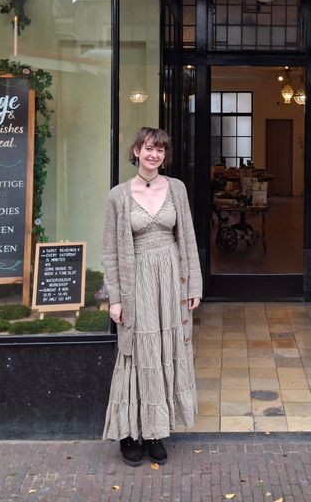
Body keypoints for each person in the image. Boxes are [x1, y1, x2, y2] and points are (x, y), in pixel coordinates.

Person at [101, 127, 202, 467]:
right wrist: (116, 298)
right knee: (138, 351)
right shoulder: (118, 195)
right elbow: (110, 252)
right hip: (137, 281)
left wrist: (193, 286)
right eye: (148, 148)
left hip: (170, 279)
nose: (153, 154)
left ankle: (156, 431)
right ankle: (131, 433)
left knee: (164, 350)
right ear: (136, 151)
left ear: (164, 155)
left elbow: (187, 238)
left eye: (160, 149)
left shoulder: (176, 188)